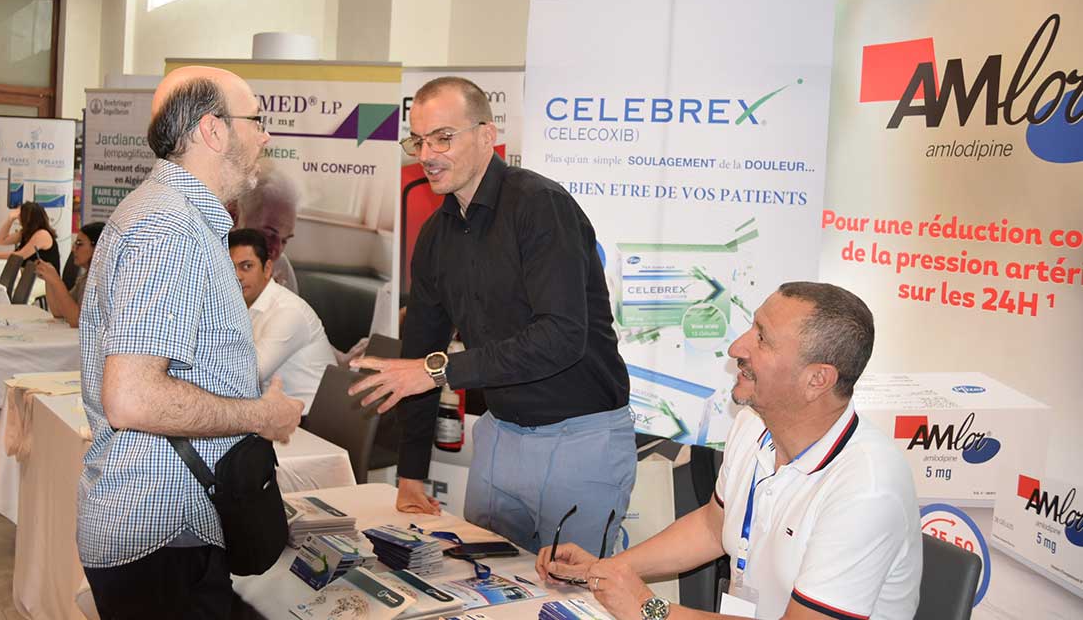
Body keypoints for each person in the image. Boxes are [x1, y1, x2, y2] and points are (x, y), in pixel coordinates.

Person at [350, 76, 635, 555]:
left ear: (487, 135)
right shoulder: (437, 236)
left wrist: (438, 370)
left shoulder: (540, 206)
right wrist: (412, 471)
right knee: (482, 580)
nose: (427, 155)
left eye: (443, 138)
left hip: (579, 440)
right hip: (500, 435)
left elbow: (561, 336)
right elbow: (420, 352)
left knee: (576, 588)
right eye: (417, 141)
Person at [539, 282, 922, 620]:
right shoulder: (753, 423)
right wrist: (605, 571)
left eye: (762, 338)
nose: (737, 347)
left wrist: (648, 609)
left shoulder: (867, 488)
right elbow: (713, 526)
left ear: (817, 379)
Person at [76, 66, 304, 619]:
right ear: (213, 130)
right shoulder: (168, 229)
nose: (265, 137)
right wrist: (261, 416)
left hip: (172, 528)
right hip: (163, 532)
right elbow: (132, 398)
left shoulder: (174, 219)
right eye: (256, 120)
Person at [228, 227, 338, 414]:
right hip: (273, 412)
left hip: (313, 419)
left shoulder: (288, 311)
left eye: (247, 266)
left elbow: (249, 375)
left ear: (267, 269)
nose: (237, 276)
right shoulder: (236, 306)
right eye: (230, 268)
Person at [235, 160, 299, 294]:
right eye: (269, 235)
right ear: (239, 218)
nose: (276, 250)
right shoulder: (214, 262)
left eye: (284, 240)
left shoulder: (281, 266)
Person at [35, 221, 104, 327]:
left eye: (79, 244)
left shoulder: (100, 281)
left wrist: (56, 281)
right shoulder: (85, 278)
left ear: (98, 248)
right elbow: (59, 311)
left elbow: (77, 320)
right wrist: (49, 280)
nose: (73, 249)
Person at [0, 200, 60, 270]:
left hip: (43, 279)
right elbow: (1, 240)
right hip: (28, 276)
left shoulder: (42, 234)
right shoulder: (26, 232)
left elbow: (20, 256)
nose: (18, 218)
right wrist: (10, 219)